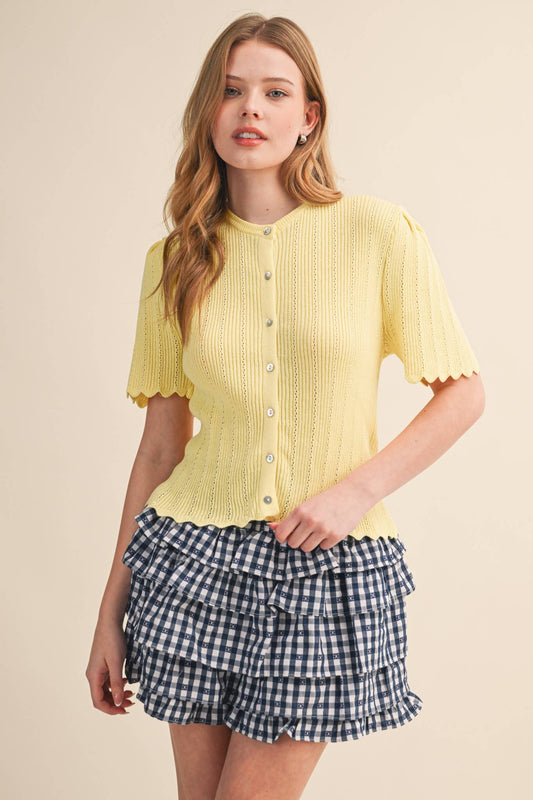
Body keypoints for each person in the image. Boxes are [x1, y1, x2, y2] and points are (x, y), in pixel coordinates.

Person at [86, 12, 485, 800]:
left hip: (322, 569)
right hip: (190, 566)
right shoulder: (174, 262)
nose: (250, 109)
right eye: (231, 91)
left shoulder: (376, 232)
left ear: (308, 116)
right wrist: (109, 613)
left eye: (274, 92)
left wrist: (353, 492)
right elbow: (161, 449)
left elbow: (463, 393)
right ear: (208, 111)